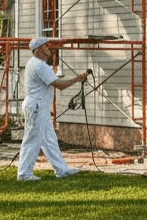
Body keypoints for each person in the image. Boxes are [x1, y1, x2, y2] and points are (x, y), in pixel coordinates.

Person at [17, 37, 92, 181]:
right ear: (38, 49)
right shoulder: (40, 66)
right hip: (37, 106)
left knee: (49, 139)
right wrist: (78, 78)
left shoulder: (34, 64)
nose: (48, 49)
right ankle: (24, 173)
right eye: (45, 46)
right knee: (32, 139)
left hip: (39, 106)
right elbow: (60, 85)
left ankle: (62, 170)